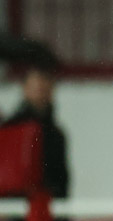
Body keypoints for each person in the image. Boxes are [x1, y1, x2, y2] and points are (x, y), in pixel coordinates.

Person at [2, 64, 70, 199]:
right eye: (36, 87)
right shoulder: (10, 128)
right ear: (25, 88)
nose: (41, 92)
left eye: (45, 86)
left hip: (45, 207)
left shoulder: (56, 134)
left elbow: (61, 180)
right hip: (14, 207)